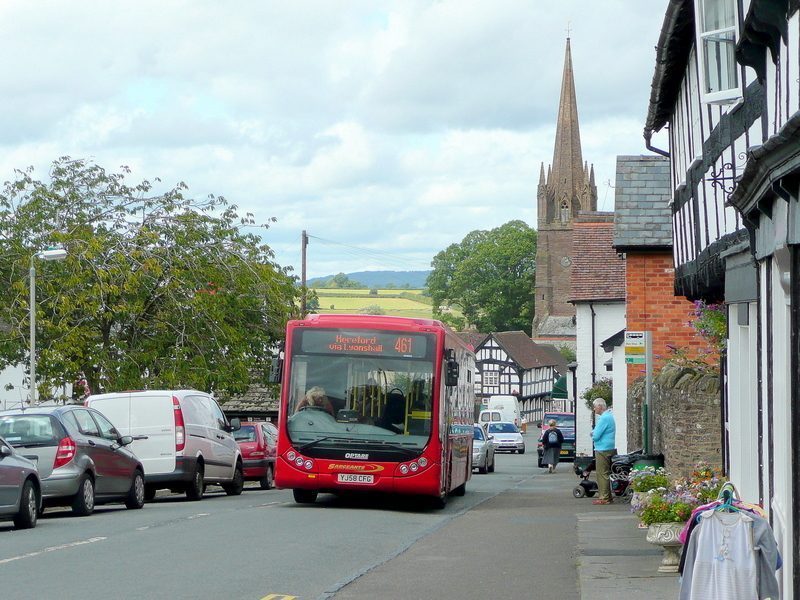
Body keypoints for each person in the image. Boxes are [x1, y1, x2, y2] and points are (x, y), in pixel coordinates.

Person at [590, 397, 617, 505]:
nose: (594, 409)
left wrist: (592, 434)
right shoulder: (609, 416)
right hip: (609, 447)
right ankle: (607, 496)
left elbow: (596, 435)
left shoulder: (604, 418)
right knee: (605, 473)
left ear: (600, 406)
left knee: (602, 473)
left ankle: (604, 497)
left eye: (595, 407)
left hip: (603, 448)